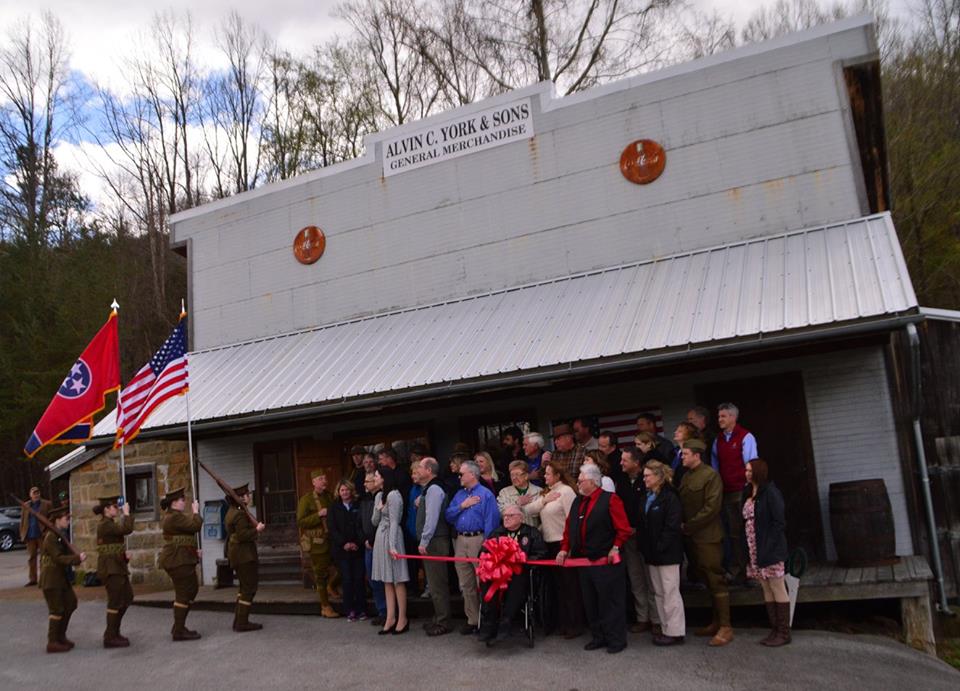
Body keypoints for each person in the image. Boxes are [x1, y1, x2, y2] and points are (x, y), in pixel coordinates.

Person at [557, 464, 632, 655]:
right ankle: (598, 637)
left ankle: (616, 639)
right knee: (590, 601)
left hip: (605, 561)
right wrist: (564, 549)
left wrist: (615, 548)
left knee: (610, 601)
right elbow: (569, 528)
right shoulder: (578, 502)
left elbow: (623, 528)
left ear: (593, 481)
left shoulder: (610, 500)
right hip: (583, 561)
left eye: (581, 479)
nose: (579, 482)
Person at [678, 440, 733, 646]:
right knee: (706, 579)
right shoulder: (686, 477)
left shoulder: (710, 475)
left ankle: (726, 627)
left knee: (715, 578)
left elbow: (712, 507)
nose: (682, 457)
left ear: (696, 455)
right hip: (692, 538)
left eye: (685, 454)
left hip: (707, 536)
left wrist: (689, 526)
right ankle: (716, 621)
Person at [525, 460, 581, 638]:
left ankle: (574, 624)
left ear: (557, 475)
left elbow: (572, 520)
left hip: (562, 543)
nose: (545, 476)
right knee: (557, 586)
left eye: (548, 473)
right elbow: (529, 510)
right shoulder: (548, 492)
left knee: (569, 586)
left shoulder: (566, 491)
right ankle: (561, 622)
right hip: (548, 543)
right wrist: (544, 500)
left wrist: (568, 546)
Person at [477, 505, 547, 647]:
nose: (506, 518)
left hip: (519, 573)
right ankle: (488, 622)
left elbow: (541, 553)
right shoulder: (497, 532)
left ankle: (506, 621)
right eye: (505, 516)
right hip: (498, 574)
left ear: (520, 517)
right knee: (486, 580)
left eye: (511, 516)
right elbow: (483, 552)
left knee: (518, 578)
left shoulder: (531, 533)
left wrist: (522, 559)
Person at [444, 460, 500, 635]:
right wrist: (463, 506)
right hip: (460, 540)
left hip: (479, 539)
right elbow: (448, 515)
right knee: (465, 583)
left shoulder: (486, 495)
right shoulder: (460, 495)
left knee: (482, 583)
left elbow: (492, 522)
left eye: (462, 474)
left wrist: (487, 547)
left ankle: (487, 620)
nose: (459, 477)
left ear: (472, 475)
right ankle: (473, 620)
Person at [743, 459, 791, 646]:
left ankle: (784, 632)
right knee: (765, 587)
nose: (746, 473)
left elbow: (779, 522)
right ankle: (775, 629)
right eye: (745, 470)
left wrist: (769, 545)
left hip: (769, 547)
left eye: (749, 470)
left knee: (777, 585)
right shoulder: (747, 492)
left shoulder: (770, 492)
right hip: (754, 547)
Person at [711, 402, 758, 585]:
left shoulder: (746, 437)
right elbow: (716, 467)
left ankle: (752, 569)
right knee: (733, 532)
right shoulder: (718, 440)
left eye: (723, 416)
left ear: (733, 417)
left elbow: (751, 464)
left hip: (742, 490)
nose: (720, 420)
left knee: (747, 530)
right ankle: (739, 569)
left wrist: (751, 489)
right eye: (719, 416)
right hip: (727, 491)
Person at [639, 461, 686, 646]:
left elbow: (672, 526)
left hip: (667, 554)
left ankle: (675, 631)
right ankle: (664, 626)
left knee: (670, 592)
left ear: (659, 477)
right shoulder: (646, 497)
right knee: (658, 592)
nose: (644, 479)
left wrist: (660, 546)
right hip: (651, 554)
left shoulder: (670, 497)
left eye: (647, 476)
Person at [614, 447, 660, 635]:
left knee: (651, 579)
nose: (621, 463)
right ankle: (643, 618)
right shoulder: (622, 481)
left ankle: (657, 619)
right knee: (636, 578)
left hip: (646, 537)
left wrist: (639, 528)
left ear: (636, 463)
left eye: (625, 460)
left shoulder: (646, 480)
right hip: (629, 537)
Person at [39, 505, 85, 653]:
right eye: (66, 518)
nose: (68, 521)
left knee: (71, 603)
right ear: (58, 520)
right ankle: (52, 641)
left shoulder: (58, 535)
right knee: (56, 609)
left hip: (60, 578)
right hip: (51, 579)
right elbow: (58, 558)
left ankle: (61, 636)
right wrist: (76, 558)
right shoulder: (50, 537)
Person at [159, 487, 203, 641]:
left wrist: (193, 551)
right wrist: (196, 512)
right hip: (177, 560)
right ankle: (179, 630)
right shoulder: (175, 517)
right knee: (185, 592)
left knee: (190, 590)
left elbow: (182, 538)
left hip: (180, 558)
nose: (185, 502)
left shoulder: (174, 516)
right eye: (182, 500)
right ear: (174, 503)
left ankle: (179, 626)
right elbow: (195, 526)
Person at [416, 457, 453, 636]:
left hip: (435, 541)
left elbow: (431, 518)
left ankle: (443, 621)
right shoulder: (428, 490)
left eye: (420, 467)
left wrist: (424, 540)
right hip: (434, 540)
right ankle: (438, 617)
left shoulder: (434, 489)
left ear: (429, 470)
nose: (417, 470)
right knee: (434, 581)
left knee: (437, 583)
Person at [371, 467, 410, 635]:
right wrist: (378, 508)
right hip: (380, 535)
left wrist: (393, 546)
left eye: (377, 475)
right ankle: (390, 617)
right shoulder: (379, 495)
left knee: (397, 578)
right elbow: (374, 521)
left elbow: (395, 522)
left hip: (391, 536)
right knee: (386, 579)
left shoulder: (394, 495)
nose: (374, 478)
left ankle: (402, 618)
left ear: (385, 478)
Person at [296, 469, 340, 618]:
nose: (324, 481)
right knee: (320, 575)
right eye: (320, 479)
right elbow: (301, 522)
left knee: (342, 567)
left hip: (332, 540)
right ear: (314, 482)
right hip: (317, 543)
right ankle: (325, 606)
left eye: (325, 478)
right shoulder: (306, 500)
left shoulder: (329, 497)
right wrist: (318, 515)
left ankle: (331, 586)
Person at [94, 495, 134, 647]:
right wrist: (127, 514)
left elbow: (113, 546)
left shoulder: (109, 524)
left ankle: (114, 631)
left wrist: (123, 556)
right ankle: (110, 636)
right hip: (111, 569)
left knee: (127, 597)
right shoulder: (105, 524)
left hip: (117, 566)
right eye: (114, 507)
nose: (117, 509)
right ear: (106, 510)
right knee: (115, 601)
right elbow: (126, 529)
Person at [225, 484, 265, 632]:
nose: (249, 496)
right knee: (249, 588)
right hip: (244, 556)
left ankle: (239, 620)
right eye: (247, 494)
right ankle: (242, 622)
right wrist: (257, 530)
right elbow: (243, 535)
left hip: (239, 555)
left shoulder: (233, 511)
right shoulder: (239, 514)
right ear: (242, 497)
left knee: (244, 588)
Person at [329, 479, 367, 622]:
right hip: (342, 551)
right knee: (347, 580)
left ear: (351, 490)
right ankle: (350, 610)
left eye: (347, 489)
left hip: (357, 548)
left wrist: (357, 542)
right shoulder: (334, 507)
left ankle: (362, 609)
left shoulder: (358, 505)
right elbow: (332, 529)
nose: (344, 492)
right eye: (342, 490)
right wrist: (344, 543)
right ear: (338, 492)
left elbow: (361, 525)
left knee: (358, 579)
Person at [360, 471, 387, 625]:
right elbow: (360, 522)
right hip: (367, 545)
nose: (365, 484)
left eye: (369, 481)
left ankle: (389, 612)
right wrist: (364, 539)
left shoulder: (382, 497)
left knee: (383, 578)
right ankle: (381, 610)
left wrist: (372, 539)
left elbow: (379, 522)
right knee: (373, 579)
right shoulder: (363, 500)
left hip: (379, 542)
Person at [20, 486, 52, 586]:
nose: (36, 495)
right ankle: (33, 579)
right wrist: (22, 534)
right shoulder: (26, 505)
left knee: (44, 557)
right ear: (30, 495)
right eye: (34, 493)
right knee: (31, 558)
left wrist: (47, 530)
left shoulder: (47, 504)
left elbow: (52, 517)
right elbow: (23, 520)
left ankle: (43, 578)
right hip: (30, 535)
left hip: (42, 535)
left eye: (37, 493)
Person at [496, 460, 542, 527]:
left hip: (533, 533)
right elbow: (500, 513)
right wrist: (517, 504)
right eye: (512, 475)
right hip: (512, 534)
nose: (514, 478)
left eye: (517, 474)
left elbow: (543, 516)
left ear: (526, 476)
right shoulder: (504, 492)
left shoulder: (538, 491)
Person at [670, 422, 700, 488]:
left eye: (680, 431)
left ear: (689, 434)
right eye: (676, 430)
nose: (675, 432)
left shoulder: (694, 452)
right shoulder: (675, 452)